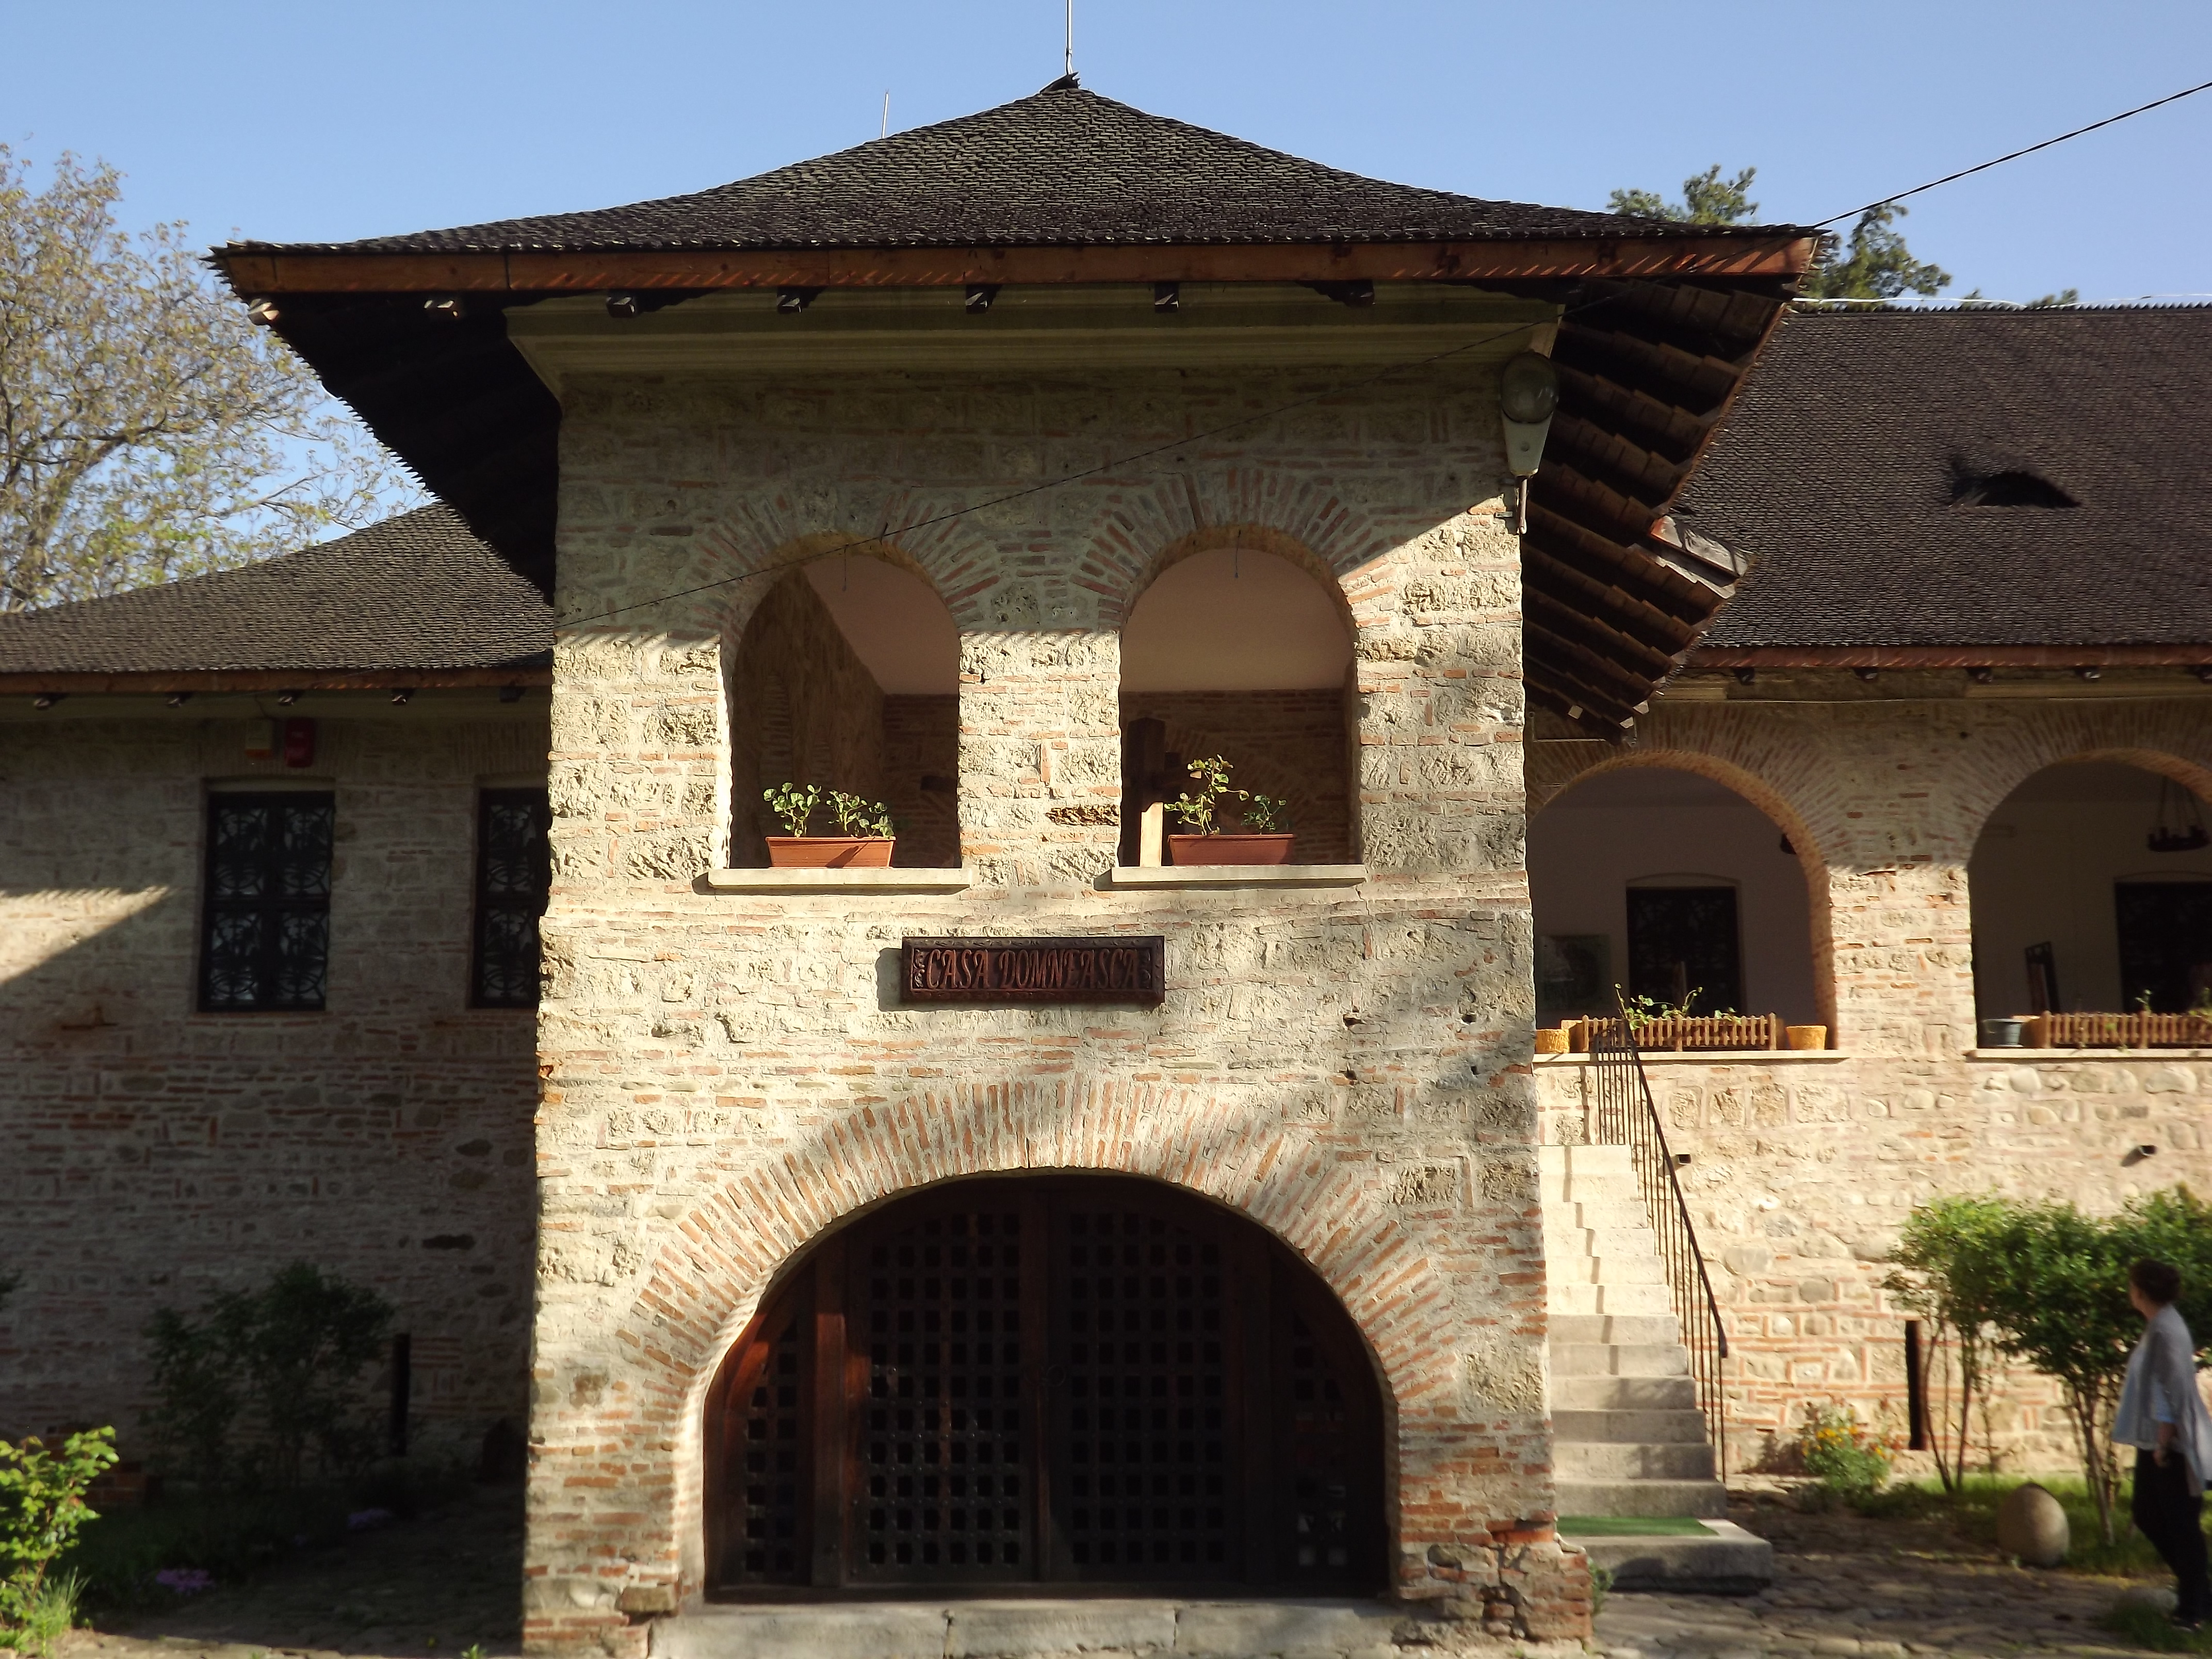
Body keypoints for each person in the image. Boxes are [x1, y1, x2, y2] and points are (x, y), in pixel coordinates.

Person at [2114, 1258, 2212, 1630]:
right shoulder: (2159, 1326)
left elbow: (2169, 1390)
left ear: (2140, 1291)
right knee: (2149, 1515)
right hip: (2155, 1441)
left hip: (2171, 1445)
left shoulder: (2166, 1330)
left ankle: (2192, 1609)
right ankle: (2201, 1595)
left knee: (2180, 1524)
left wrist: (2163, 1444)